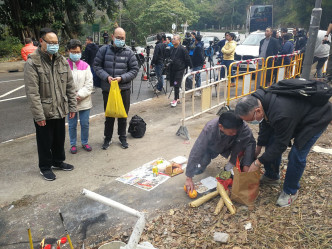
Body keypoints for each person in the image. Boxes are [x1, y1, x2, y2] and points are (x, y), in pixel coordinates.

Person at [234, 89, 332, 207]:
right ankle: (272, 176)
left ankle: (291, 191)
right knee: (271, 141)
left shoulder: (281, 113)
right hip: (295, 114)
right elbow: (265, 125)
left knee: (297, 154)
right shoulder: (261, 100)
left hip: (316, 117)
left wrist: (258, 162)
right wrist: (259, 147)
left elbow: (281, 144)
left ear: (257, 110)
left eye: (251, 120)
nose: (252, 122)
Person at [24, 28, 77, 181]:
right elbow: (32, 93)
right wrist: (38, 115)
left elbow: (69, 85)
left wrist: (72, 105)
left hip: (60, 108)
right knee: (45, 141)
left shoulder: (61, 60)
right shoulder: (33, 62)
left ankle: (58, 161)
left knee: (59, 138)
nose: (54, 45)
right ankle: (45, 167)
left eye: (56, 43)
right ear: (41, 41)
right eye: (51, 42)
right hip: (44, 111)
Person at [184, 111, 256, 193]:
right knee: (202, 160)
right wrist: (189, 177)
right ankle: (201, 165)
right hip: (214, 147)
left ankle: (231, 165)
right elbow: (197, 149)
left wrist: (247, 164)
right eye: (232, 131)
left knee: (244, 160)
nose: (235, 133)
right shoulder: (210, 128)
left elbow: (250, 144)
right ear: (221, 126)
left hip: (235, 145)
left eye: (236, 131)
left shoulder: (242, 126)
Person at [94, 27, 139, 150]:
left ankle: (122, 137)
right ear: (112, 36)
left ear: (125, 38)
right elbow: (97, 66)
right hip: (108, 89)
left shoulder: (129, 53)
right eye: (117, 37)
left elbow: (134, 70)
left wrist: (121, 78)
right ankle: (107, 138)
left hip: (123, 89)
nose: (120, 40)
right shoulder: (103, 50)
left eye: (122, 38)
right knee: (109, 115)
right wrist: (107, 77)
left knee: (123, 115)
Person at [66, 39, 93, 154]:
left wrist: (79, 95)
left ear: (81, 51)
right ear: (68, 51)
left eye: (78, 52)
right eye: (73, 51)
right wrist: (72, 96)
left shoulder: (86, 66)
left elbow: (89, 84)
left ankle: (84, 142)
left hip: (84, 101)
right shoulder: (64, 66)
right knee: (72, 125)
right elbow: (62, 84)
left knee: (85, 123)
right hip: (70, 101)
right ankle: (73, 144)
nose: (76, 54)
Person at [169, 34, 192, 107]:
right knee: (174, 84)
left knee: (176, 84)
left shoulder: (182, 49)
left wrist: (190, 66)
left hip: (180, 69)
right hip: (173, 68)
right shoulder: (172, 49)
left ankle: (175, 99)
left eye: (175, 39)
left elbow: (187, 58)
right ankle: (177, 98)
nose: (173, 40)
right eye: (172, 39)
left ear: (179, 40)